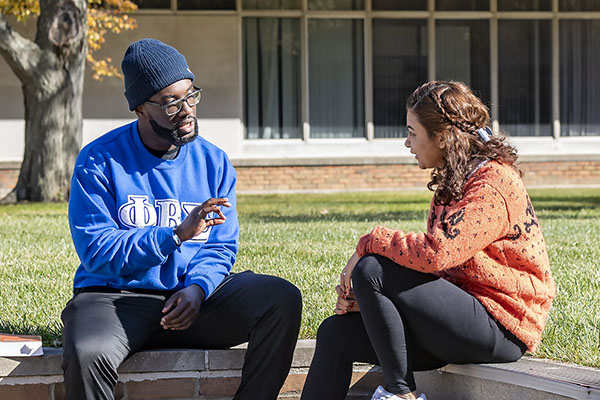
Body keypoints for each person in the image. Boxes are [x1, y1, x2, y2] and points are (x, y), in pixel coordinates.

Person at [61, 38, 302, 400]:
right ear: (140, 108)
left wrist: (199, 288)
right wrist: (173, 236)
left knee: (280, 299)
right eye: (171, 102)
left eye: (191, 95)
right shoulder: (99, 161)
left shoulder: (214, 162)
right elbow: (97, 251)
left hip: (191, 302)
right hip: (116, 301)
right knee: (89, 353)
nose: (187, 109)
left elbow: (221, 246)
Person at [301, 81, 556, 400]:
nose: (407, 143)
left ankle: (399, 393)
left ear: (443, 136)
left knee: (372, 268)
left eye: (412, 132)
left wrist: (370, 241)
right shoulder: (456, 178)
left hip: (502, 325)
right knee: (335, 333)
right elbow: (445, 271)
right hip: (458, 322)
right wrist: (372, 305)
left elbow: (437, 252)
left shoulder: (493, 185)